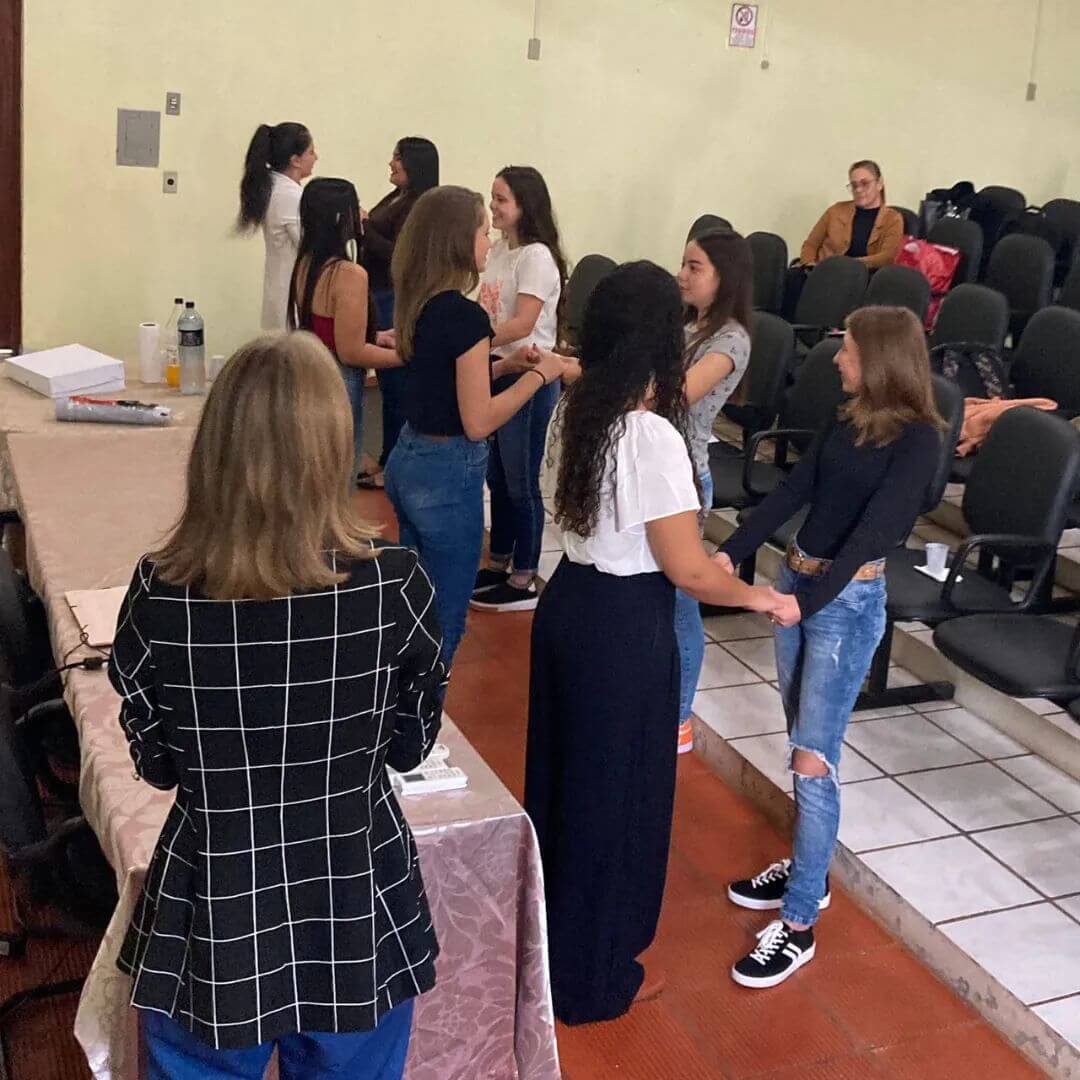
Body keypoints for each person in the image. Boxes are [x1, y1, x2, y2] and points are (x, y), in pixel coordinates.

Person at [108, 332, 446, 1079]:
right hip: (355, 897)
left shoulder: (160, 592)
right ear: (333, 449)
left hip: (213, 903)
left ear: (213, 453)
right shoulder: (395, 584)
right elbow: (409, 746)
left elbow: (158, 766)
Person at [524, 261, 783, 1026]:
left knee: (565, 786)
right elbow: (687, 570)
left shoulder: (576, 410)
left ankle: (552, 948)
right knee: (618, 799)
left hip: (570, 604)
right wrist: (758, 595)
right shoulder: (650, 435)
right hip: (623, 625)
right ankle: (595, 976)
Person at [716, 305, 943, 989]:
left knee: (814, 760)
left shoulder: (918, 442)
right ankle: (808, 871)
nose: (838, 358)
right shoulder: (847, 417)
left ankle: (798, 924)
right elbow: (795, 488)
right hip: (799, 580)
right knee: (801, 740)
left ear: (880, 361)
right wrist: (731, 550)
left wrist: (806, 604)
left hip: (845, 603)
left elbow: (873, 534)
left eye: (849, 351)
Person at [384, 185, 565, 669]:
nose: (489, 242)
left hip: (409, 459)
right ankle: (428, 708)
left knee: (414, 596)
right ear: (457, 241)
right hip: (444, 474)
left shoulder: (421, 303)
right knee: (445, 616)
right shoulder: (464, 317)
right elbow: (478, 420)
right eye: (483, 232)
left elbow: (448, 381)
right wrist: (539, 377)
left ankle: (404, 696)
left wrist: (506, 367)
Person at [470, 166, 568, 613]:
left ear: (525, 205)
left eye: (501, 199)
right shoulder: (498, 251)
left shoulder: (536, 257)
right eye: (492, 198)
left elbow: (524, 323)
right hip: (499, 367)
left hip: (528, 374)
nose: (493, 207)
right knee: (496, 475)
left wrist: (475, 341)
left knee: (520, 479)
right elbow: (485, 308)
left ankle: (525, 574)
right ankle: (499, 561)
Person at [672, 229, 753, 755]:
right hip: (661, 466)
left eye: (694, 267)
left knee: (681, 597)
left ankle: (679, 716)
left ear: (724, 277)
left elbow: (677, 395)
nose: (682, 275)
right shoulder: (690, 327)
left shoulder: (730, 340)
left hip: (684, 474)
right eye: (683, 263)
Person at [289, 177, 400, 476]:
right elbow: (351, 352)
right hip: (339, 382)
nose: (361, 214)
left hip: (312, 373)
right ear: (340, 217)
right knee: (340, 474)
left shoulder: (306, 263)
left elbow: (327, 328)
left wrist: (375, 336)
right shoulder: (349, 273)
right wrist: (404, 356)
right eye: (356, 207)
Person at [359, 138, 440, 488]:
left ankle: (393, 464)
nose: (391, 163)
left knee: (396, 384)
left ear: (414, 164)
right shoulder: (397, 197)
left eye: (398, 157)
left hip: (395, 296)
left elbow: (400, 255)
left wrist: (364, 227)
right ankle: (386, 459)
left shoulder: (420, 205)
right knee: (389, 385)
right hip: (378, 294)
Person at [237, 122, 317, 330]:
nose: (316, 157)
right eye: (311, 152)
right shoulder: (290, 195)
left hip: (283, 290)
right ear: (295, 160)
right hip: (291, 295)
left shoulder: (277, 188)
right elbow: (310, 245)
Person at [798, 160, 904, 270]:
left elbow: (887, 257)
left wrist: (847, 265)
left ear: (879, 184)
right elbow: (810, 245)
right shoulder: (835, 211)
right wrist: (809, 266)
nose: (858, 190)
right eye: (854, 185)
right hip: (825, 272)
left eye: (865, 183)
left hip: (864, 274)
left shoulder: (892, 219)